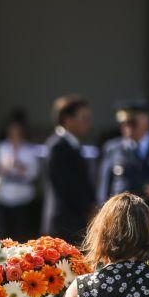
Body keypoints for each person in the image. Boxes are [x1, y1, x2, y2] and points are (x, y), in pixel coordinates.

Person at [45, 95, 97, 245]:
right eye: (84, 118)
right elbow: (67, 186)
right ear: (68, 120)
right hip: (65, 224)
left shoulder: (72, 145)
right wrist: (89, 207)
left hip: (75, 221)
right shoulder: (58, 146)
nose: (88, 123)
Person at [0, 110, 41, 242]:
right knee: (2, 233)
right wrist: (4, 167)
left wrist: (21, 167)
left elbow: (34, 173)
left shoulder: (30, 149)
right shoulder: (1, 147)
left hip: (23, 196)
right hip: (3, 194)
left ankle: (20, 261)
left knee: (21, 232)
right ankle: (0, 262)